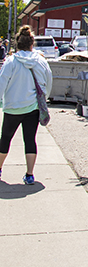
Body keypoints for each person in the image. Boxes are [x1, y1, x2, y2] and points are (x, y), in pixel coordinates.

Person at [0, 25, 53, 184]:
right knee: (30, 139)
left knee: (5, 139)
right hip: (33, 107)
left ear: (17, 44)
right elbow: (48, 82)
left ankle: (0, 168)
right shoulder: (41, 61)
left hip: (13, 107)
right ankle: (29, 174)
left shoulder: (11, 62)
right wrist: (44, 99)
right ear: (32, 44)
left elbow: (1, 84)